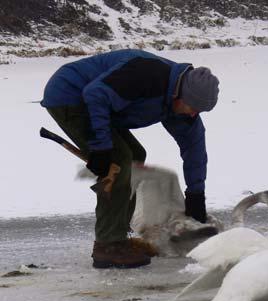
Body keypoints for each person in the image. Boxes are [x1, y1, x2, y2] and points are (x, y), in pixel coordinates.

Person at [40, 49, 219, 269]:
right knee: (118, 160)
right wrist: (102, 148)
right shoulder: (146, 74)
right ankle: (107, 245)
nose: (193, 114)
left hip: (100, 104)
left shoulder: (182, 106)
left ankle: (119, 236)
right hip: (70, 94)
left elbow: (195, 149)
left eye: (199, 111)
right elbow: (95, 94)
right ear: (179, 95)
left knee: (135, 157)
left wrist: (195, 194)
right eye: (192, 108)